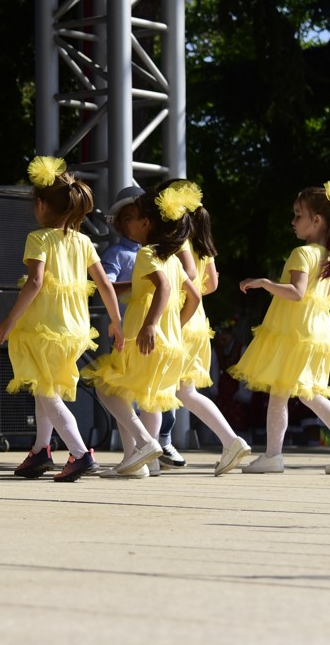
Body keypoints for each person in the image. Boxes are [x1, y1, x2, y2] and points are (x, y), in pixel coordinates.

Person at [0, 156, 123, 482]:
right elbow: (105, 285)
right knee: (45, 387)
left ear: (41, 205)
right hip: (75, 329)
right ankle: (40, 450)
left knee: (46, 392)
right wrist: (117, 322)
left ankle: (79, 453)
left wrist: (9, 322)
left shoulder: (38, 239)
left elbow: (35, 282)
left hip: (44, 328)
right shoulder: (84, 241)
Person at [231, 181, 330, 475]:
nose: (293, 221)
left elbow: (296, 292)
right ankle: (277, 454)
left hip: (294, 333)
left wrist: (265, 283)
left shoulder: (302, 253)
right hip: (316, 333)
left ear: (316, 220)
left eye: (298, 215)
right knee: (292, 392)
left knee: (299, 393)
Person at [82, 182, 201, 478]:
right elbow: (195, 297)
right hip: (165, 342)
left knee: (106, 387)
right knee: (127, 393)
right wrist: (173, 328)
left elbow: (164, 287)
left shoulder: (147, 253)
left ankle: (145, 443)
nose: (127, 224)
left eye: (131, 218)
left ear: (145, 223)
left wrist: (149, 325)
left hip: (140, 337)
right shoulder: (171, 258)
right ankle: (134, 462)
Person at [173, 197, 253, 475]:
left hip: (179, 321)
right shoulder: (202, 247)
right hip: (197, 322)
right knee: (185, 392)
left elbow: (187, 277)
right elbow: (213, 284)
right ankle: (230, 440)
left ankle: (147, 448)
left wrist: (176, 292)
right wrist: (193, 290)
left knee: (158, 386)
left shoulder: (178, 244)